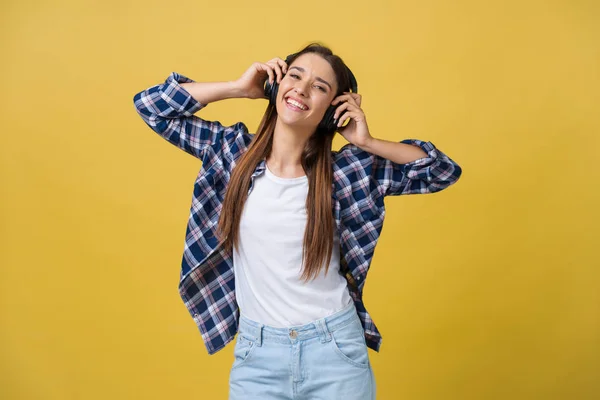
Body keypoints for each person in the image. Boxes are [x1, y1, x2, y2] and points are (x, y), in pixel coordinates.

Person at [133, 42, 462, 399]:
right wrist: (239, 89)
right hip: (256, 355)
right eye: (295, 76)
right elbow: (152, 106)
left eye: (320, 87)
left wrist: (366, 141)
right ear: (275, 85)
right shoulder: (230, 153)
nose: (302, 90)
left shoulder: (346, 171)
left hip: (334, 349)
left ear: (333, 109)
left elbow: (441, 171)